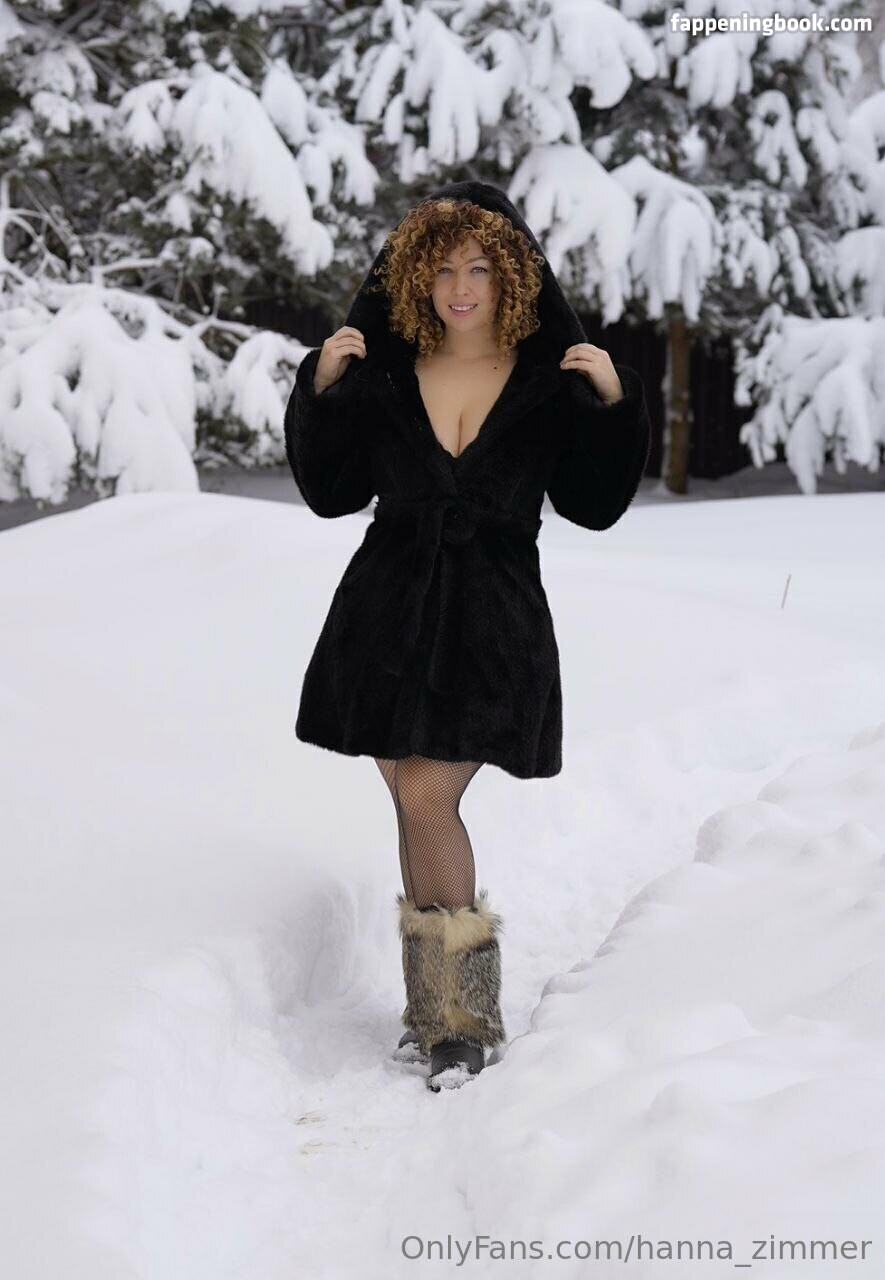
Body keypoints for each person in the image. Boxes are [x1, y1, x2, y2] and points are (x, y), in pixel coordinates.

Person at [283, 181, 652, 1091]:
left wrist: (612, 401)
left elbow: (593, 505)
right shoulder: (382, 372)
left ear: (511, 276)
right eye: (442, 267)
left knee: (425, 790)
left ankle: (462, 1022)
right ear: (414, 273)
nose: (459, 286)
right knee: (407, 797)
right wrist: (321, 389)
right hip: (383, 616)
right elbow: (331, 492)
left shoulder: (548, 381)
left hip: (493, 622)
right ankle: (434, 1012)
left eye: (479, 268)